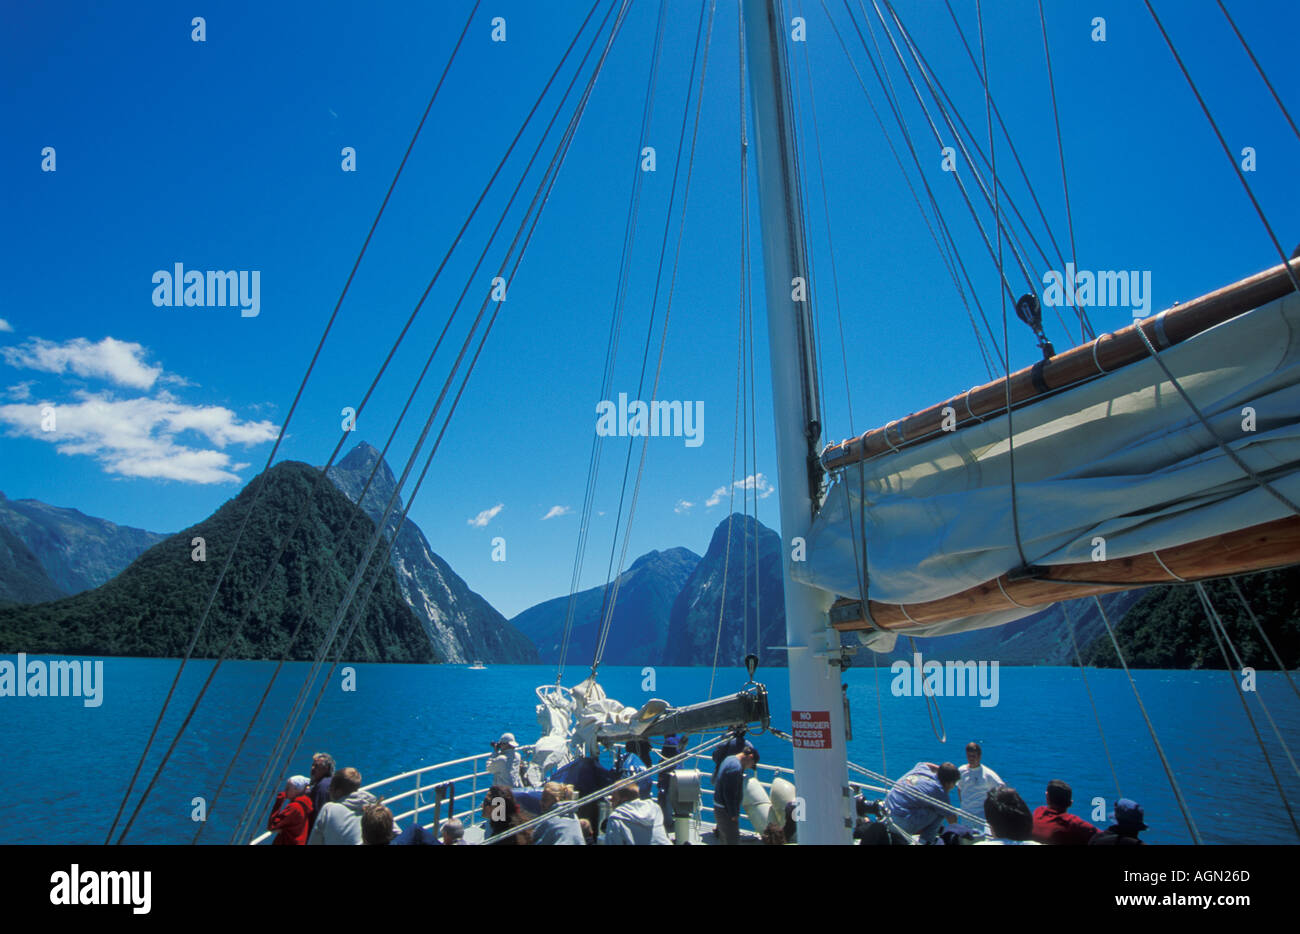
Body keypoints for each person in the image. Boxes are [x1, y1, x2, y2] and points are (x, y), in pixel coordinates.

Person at [884, 761, 959, 844]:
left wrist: (943, 770)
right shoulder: (939, 791)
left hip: (884, 815)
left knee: (929, 805)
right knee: (940, 810)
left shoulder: (921, 769)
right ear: (949, 783)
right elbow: (952, 819)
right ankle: (926, 841)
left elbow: (926, 764)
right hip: (899, 824)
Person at [308, 767, 375, 845]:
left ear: (338, 792)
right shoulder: (373, 806)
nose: (329, 791)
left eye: (330, 788)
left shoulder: (329, 809)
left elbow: (314, 842)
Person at [713, 743, 759, 845]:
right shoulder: (735, 767)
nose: (749, 767)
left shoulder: (730, 759)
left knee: (724, 840)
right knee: (732, 841)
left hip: (720, 807)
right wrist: (733, 814)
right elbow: (729, 793)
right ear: (750, 757)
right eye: (752, 764)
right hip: (726, 811)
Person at [1032, 780, 1098, 845]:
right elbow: (1104, 837)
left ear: (1047, 797)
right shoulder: (1072, 823)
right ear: (1070, 803)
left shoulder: (1038, 812)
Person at [603, 783, 670, 845]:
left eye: (614, 798)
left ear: (624, 800)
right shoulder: (654, 808)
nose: (610, 800)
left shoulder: (616, 817)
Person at [957, 742, 1002, 826]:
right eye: (969, 756)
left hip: (981, 817)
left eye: (974, 756)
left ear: (980, 756)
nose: (971, 759)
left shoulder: (988, 774)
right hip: (965, 815)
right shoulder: (961, 771)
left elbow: (1001, 789)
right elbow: (959, 788)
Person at [267, 775, 314, 846]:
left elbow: (272, 825)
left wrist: (279, 800)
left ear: (297, 790)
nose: (285, 790)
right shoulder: (306, 804)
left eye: (288, 788)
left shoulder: (294, 807)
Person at [306, 752, 335, 835]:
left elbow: (319, 813)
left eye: (316, 766)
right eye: (313, 765)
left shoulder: (323, 787)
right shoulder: (328, 782)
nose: (312, 768)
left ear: (325, 769)